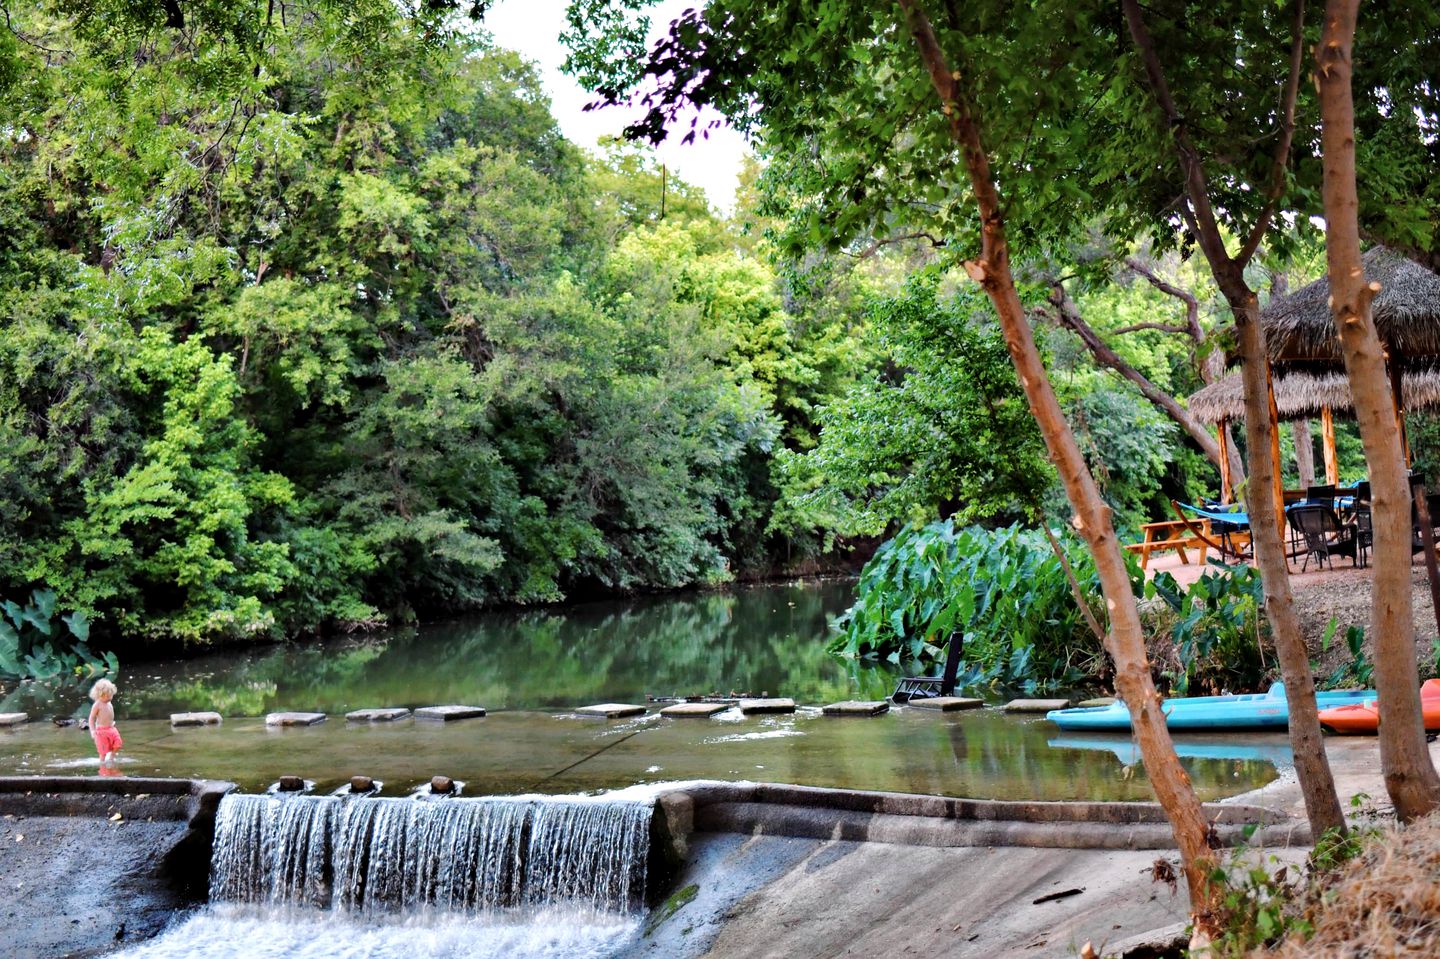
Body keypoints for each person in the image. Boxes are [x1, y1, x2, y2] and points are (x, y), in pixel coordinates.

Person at [88, 679, 123, 767]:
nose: (109, 698)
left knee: (118, 743)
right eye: (107, 696)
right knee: (103, 751)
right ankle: (102, 766)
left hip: (111, 728)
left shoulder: (109, 703)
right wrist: (92, 731)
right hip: (101, 731)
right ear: (99, 695)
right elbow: (91, 718)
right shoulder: (97, 704)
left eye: (110, 695)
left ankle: (111, 757)